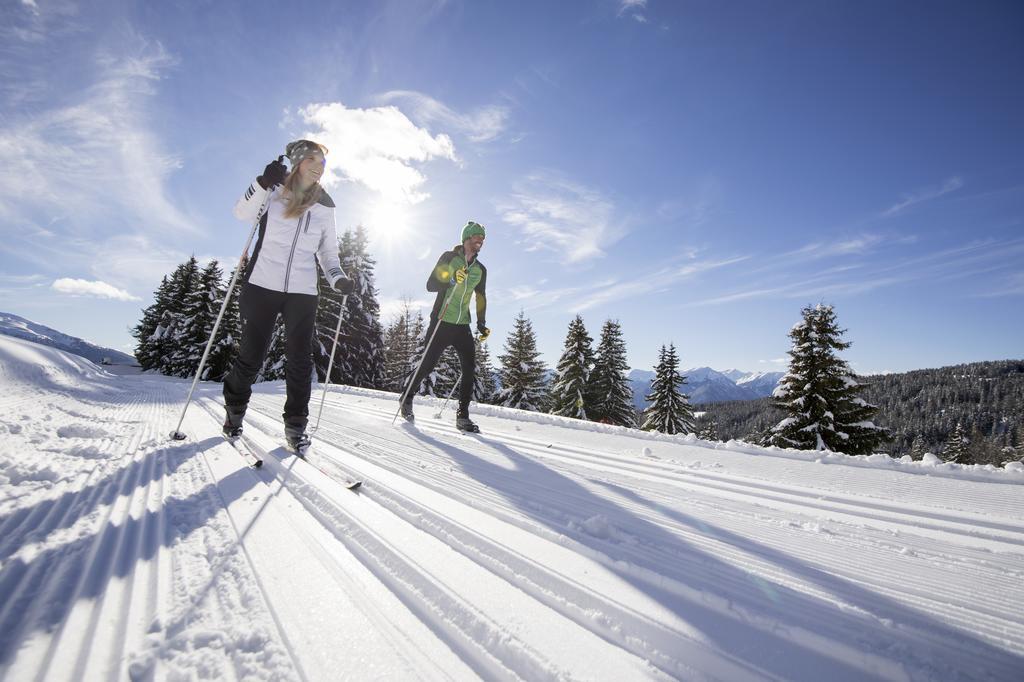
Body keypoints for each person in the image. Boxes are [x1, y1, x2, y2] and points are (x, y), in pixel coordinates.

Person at [222, 140, 354, 451]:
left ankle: (296, 425)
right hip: (261, 285)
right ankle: (234, 411)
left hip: (302, 291)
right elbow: (241, 213)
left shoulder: (325, 205)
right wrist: (261, 182)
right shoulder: (273, 192)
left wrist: (338, 279)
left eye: (322, 162)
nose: (319, 166)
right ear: (296, 163)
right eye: (313, 159)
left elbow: (328, 253)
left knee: (299, 361)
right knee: (251, 358)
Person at [401, 221, 490, 432]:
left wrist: (482, 323)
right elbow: (431, 285)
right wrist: (451, 280)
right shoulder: (449, 258)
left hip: (462, 325)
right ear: (466, 239)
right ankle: (406, 397)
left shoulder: (480, 270)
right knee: (428, 365)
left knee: (469, 369)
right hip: (441, 320)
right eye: (477, 236)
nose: (481, 241)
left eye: (483, 238)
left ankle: (463, 417)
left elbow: (481, 297)